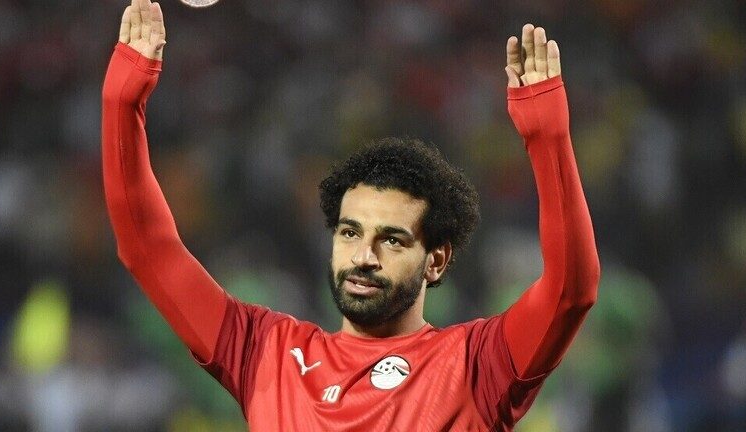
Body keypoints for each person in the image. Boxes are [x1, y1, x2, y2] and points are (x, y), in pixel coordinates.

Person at [101, 0, 600, 430]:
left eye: (393, 239)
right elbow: (148, 250)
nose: (364, 255)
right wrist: (122, 104)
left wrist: (547, 139)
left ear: (436, 260)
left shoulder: (477, 365)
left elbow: (571, 291)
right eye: (349, 232)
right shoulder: (265, 352)